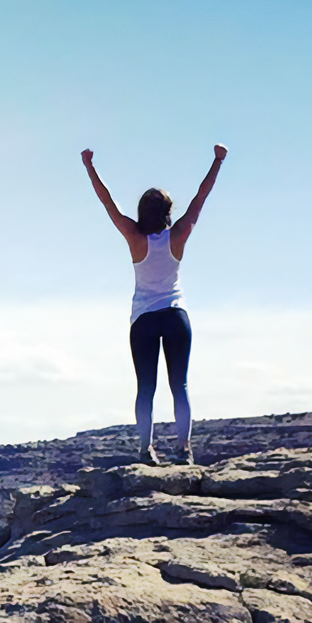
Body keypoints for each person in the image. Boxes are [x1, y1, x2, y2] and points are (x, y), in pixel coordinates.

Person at [81, 144, 228, 465]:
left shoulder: (134, 237)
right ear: (167, 211)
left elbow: (107, 202)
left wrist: (89, 166)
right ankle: (184, 449)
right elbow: (200, 199)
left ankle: (146, 449)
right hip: (176, 316)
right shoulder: (179, 235)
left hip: (144, 319)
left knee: (145, 386)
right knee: (180, 385)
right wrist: (218, 161)